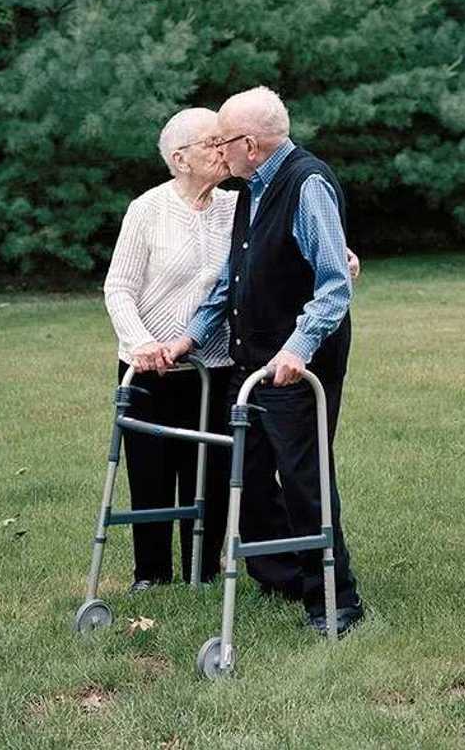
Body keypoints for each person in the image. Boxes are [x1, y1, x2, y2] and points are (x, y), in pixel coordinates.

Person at [164, 86, 365, 636]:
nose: (218, 151)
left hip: (298, 360)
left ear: (250, 144)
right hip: (248, 357)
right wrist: (191, 336)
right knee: (246, 471)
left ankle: (335, 600)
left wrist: (297, 350)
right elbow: (233, 275)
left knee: (304, 476)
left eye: (223, 141)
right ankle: (283, 577)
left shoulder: (307, 185)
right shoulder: (254, 187)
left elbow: (332, 284)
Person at [103, 107, 235, 591]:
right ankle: (152, 576)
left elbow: (281, 245)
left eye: (224, 142)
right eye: (212, 144)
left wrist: (339, 251)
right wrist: (141, 343)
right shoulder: (148, 209)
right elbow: (118, 287)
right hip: (150, 367)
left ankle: (202, 571)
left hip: (214, 363)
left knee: (212, 473)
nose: (224, 151)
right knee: (152, 474)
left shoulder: (234, 208)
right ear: (181, 159)